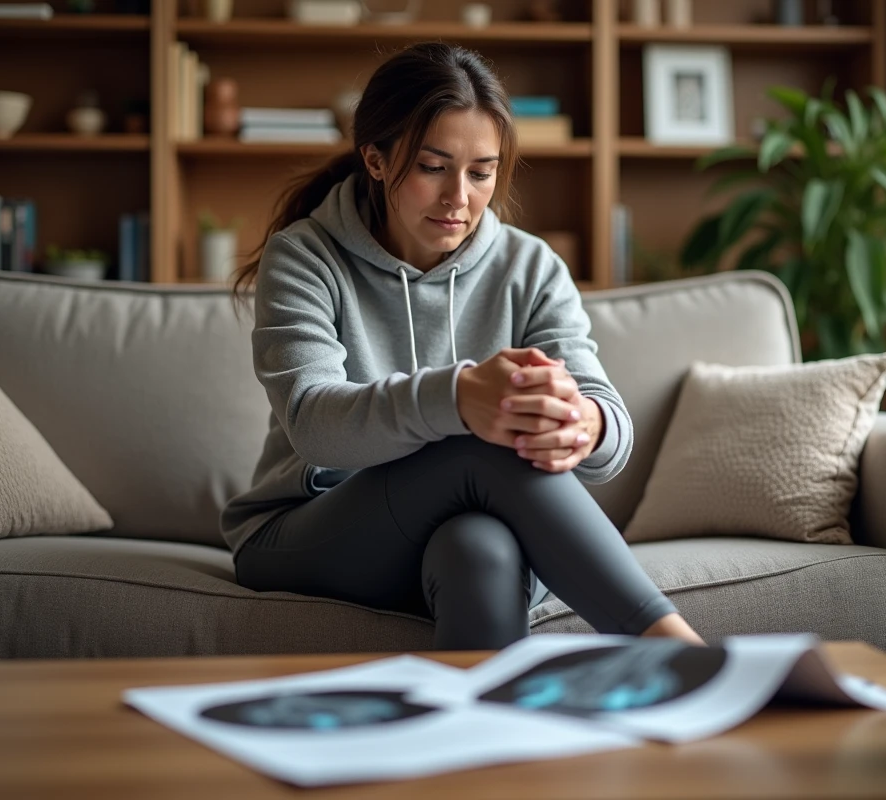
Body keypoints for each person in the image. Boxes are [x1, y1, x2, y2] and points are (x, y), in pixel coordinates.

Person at [222, 41, 706, 651]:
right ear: (375, 159)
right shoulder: (305, 256)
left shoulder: (530, 266)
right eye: (433, 167)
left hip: (461, 529)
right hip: (311, 532)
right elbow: (315, 426)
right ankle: (680, 652)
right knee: (481, 446)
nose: (460, 198)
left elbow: (606, 434)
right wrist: (460, 398)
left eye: (481, 172)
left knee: (480, 546)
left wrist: (584, 424)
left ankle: (480, 740)